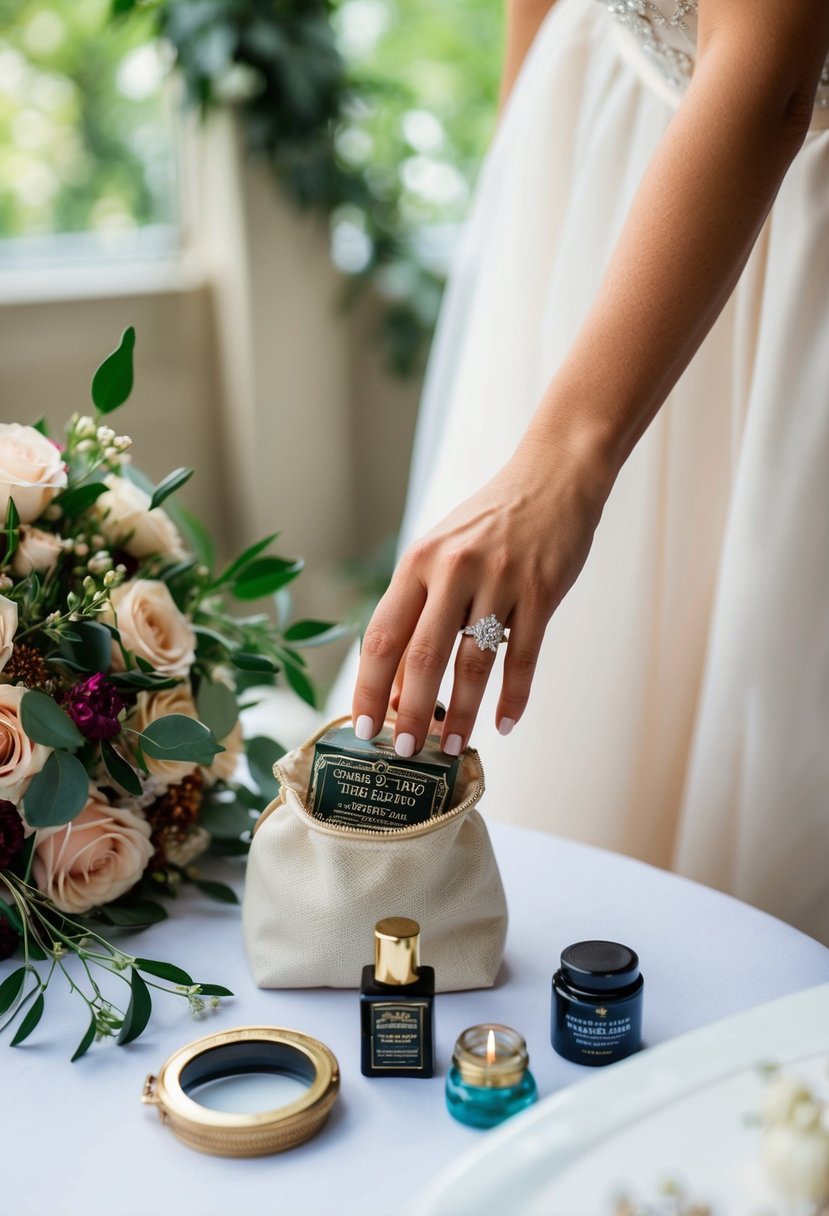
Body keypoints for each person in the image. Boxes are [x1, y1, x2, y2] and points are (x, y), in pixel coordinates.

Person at [345, 0, 829, 944]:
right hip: (592, 156)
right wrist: (520, 179)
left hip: (769, 225)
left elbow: (769, 74)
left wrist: (564, 458)